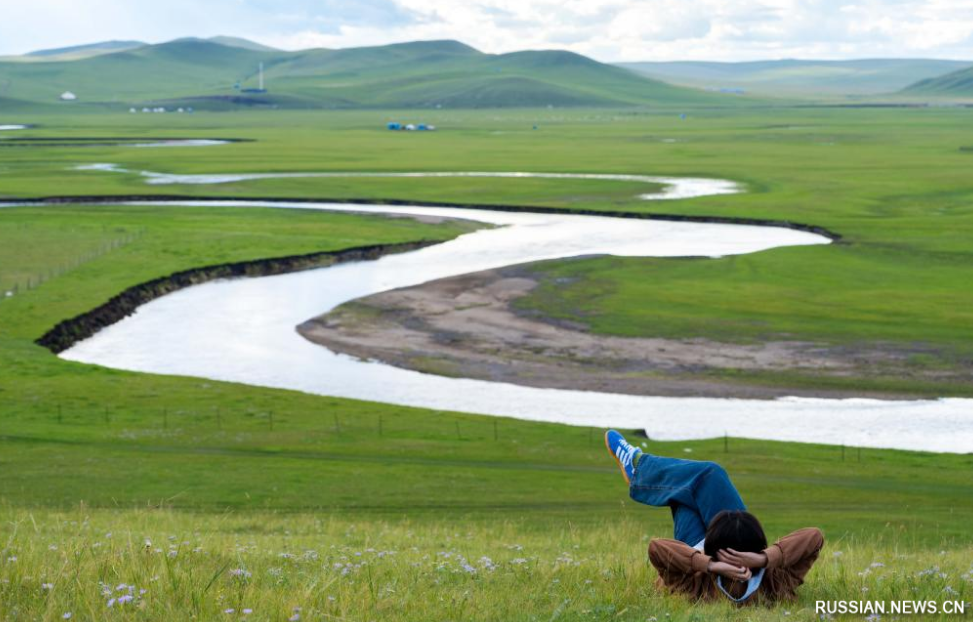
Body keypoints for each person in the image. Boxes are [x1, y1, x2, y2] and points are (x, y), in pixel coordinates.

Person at [604, 429, 824, 605]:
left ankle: (638, 468)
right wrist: (762, 559)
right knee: (699, 481)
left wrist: (708, 564)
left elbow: (657, 547)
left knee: (699, 481)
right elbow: (814, 536)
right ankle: (638, 468)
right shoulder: (774, 583)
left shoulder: (694, 586)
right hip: (733, 539)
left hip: (696, 551)